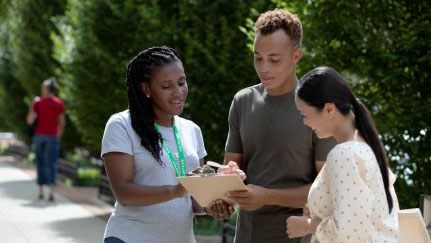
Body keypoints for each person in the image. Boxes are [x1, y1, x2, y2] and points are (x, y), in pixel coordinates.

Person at [216, 9, 336, 243]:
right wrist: (222, 192)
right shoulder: (243, 101)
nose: (264, 67)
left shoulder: (320, 108)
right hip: (247, 235)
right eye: (257, 57)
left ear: (296, 56)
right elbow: (232, 170)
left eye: (274, 59)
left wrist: (267, 196)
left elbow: (327, 191)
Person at [101, 46, 207, 243]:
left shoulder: (192, 130)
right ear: (146, 89)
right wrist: (176, 190)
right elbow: (124, 193)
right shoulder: (121, 125)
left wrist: (215, 204)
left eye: (181, 82)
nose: (178, 92)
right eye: (166, 86)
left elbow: (194, 200)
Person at [286, 66, 399, 242]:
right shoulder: (365, 147)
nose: (304, 123)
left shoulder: (344, 154)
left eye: (304, 115)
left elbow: (349, 231)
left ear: (329, 110)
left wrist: (307, 225)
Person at [26, 77, 65, 202]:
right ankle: (51, 192)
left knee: (40, 163)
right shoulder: (58, 103)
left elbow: (29, 120)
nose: (41, 89)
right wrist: (59, 136)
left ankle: (41, 191)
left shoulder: (37, 103)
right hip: (53, 136)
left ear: (48, 89)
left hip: (39, 136)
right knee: (52, 163)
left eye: (43, 87)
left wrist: (32, 106)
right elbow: (62, 122)